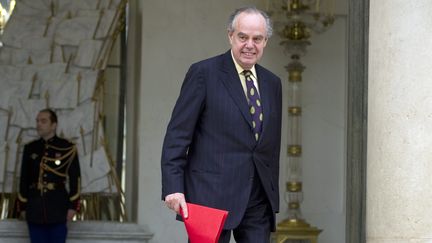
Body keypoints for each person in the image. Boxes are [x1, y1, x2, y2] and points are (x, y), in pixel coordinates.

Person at [161, 6, 282, 243]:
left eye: (257, 39)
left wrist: (272, 196)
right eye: (243, 37)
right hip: (210, 198)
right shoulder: (204, 74)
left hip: (257, 200)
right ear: (230, 36)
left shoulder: (272, 83)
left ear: (266, 41)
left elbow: (270, 145)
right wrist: (173, 186)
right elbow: (177, 134)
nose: (250, 45)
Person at [17, 108, 81, 243]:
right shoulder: (30, 148)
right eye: (37, 121)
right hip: (34, 209)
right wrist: (23, 206)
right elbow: (24, 179)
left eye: (43, 121)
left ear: (54, 125)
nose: (38, 124)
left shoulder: (67, 147)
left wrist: (72, 207)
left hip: (58, 208)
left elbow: (76, 179)